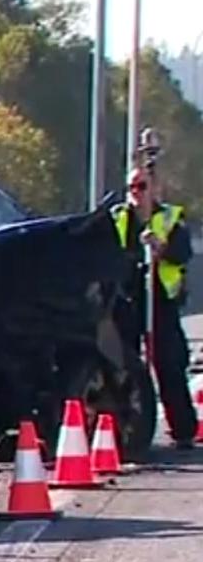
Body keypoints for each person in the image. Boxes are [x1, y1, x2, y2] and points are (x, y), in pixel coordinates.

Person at [111, 166, 198, 449]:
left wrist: (161, 248)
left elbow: (182, 254)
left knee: (169, 363)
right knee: (123, 363)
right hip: (128, 299)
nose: (136, 193)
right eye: (131, 188)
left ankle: (183, 429)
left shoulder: (170, 219)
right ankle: (125, 428)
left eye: (142, 187)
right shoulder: (118, 218)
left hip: (161, 301)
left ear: (155, 189)